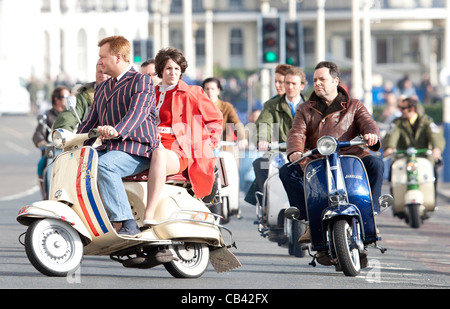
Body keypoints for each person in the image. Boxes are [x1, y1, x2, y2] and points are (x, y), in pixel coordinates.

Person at [278, 61, 384, 244]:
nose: (318, 83)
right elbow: (296, 132)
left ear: (335, 81)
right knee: (287, 171)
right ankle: (309, 220)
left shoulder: (355, 105)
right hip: (317, 159)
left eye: (322, 79)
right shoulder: (305, 109)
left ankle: (371, 213)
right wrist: (295, 151)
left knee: (376, 164)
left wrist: (371, 134)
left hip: (352, 157)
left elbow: (368, 123)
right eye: (315, 80)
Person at [77, 35, 158, 237]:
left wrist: (118, 130)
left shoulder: (142, 81)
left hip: (137, 148)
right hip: (112, 149)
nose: (99, 61)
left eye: (103, 57)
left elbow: (138, 113)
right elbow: (90, 121)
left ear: (118, 57)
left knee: (105, 165)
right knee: (80, 165)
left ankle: (127, 223)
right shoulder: (103, 87)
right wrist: (74, 143)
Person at [142, 47, 223, 226]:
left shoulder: (192, 92)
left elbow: (215, 119)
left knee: (159, 154)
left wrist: (207, 145)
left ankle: (149, 213)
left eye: (177, 68)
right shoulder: (150, 93)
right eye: (169, 68)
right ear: (161, 70)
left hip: (178, 150)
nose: (173, 72)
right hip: (148, 144)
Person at [244, 66, 307, 205]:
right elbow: (264, 124)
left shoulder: (310, 105)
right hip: (279, 151)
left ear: (302, 86)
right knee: (260, 164)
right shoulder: (272, 105)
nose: (289, 87)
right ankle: (266, 205)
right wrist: (263, 140)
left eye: (293, 83)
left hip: (304, 153)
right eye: (287, 83)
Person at [383, 97, 445, 187]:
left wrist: (436, 148)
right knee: (394, 171)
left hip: (423, 156)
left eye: (403, 108)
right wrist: (389, 147)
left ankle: (432, 193)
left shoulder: (426, 121)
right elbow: (392, 134)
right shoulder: (397, 123)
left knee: (432, 171)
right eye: (400, 107)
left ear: (411, 109)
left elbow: (435, 135)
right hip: (403, 156)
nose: (400, 110)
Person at [32, 85, 70, 198]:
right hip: (53, 149)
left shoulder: (74, 114)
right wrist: (44, 144)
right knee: (47, 168)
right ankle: (48, 196)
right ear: (56, 99)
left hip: (71, 148)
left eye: (70, 96)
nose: (69, 99)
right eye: (65, 96)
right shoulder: (47, 116)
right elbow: (38, 134)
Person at [53, 61, 110, 131]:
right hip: (88, 139)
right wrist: (63, 133)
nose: (103, 75)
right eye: (100, 72)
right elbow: (69, 116)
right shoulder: (83, 96)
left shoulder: (119, 93)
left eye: (106, 73)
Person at [202, 77, 248, 150]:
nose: (210, 92)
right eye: (207, 89)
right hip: (202, 146)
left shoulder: (226, 107)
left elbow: (236, 123)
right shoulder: (198, 107)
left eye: (212, 89)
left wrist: (242, 138)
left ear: (218, 90)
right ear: (203, 91)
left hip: (222, 146)